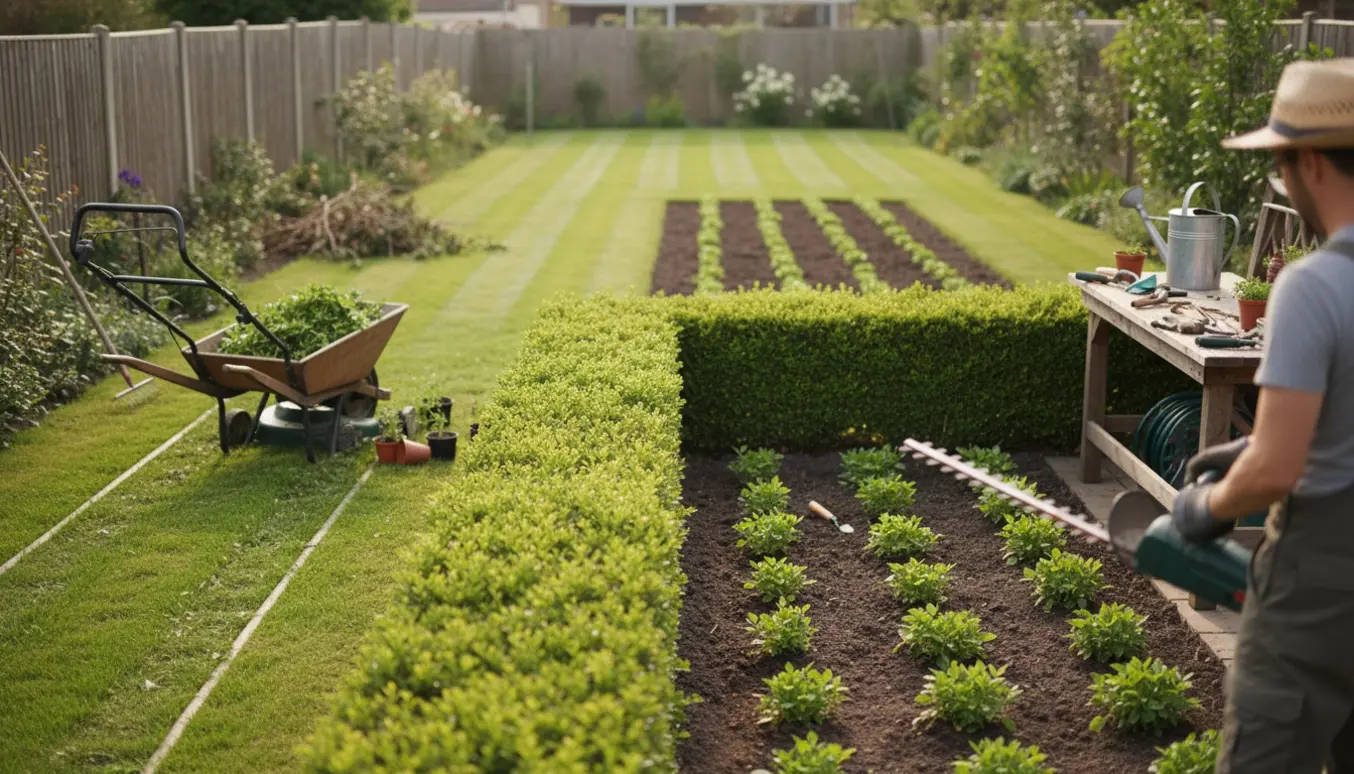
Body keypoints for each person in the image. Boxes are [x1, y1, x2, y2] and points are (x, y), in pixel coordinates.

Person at [1170, 58, 1354, 773]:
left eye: (1279, 167)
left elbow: (1277, 467)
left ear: (1307, 160)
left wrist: (1209, 506)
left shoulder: (1314, 285)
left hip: (1323, 587)